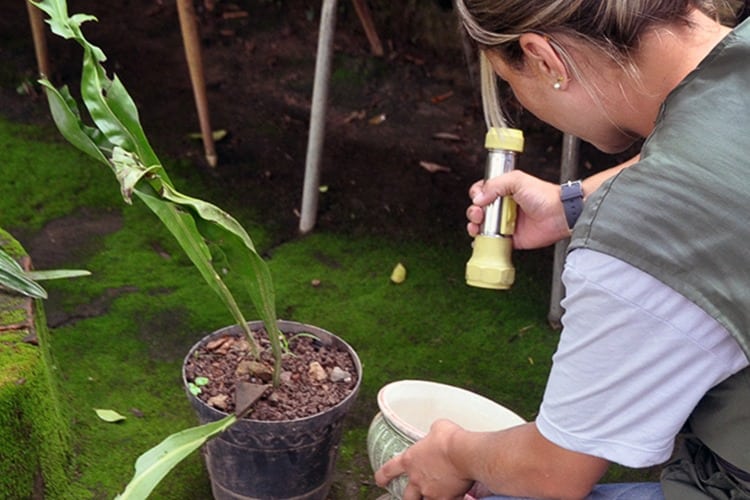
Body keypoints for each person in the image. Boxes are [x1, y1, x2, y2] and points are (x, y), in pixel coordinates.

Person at [375, 0, 750, 498]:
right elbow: (721, 152)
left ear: (544, 58)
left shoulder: (639, 235)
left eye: (510, 81)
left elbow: (552, 471)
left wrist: (453, 451)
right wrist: (569, 205)